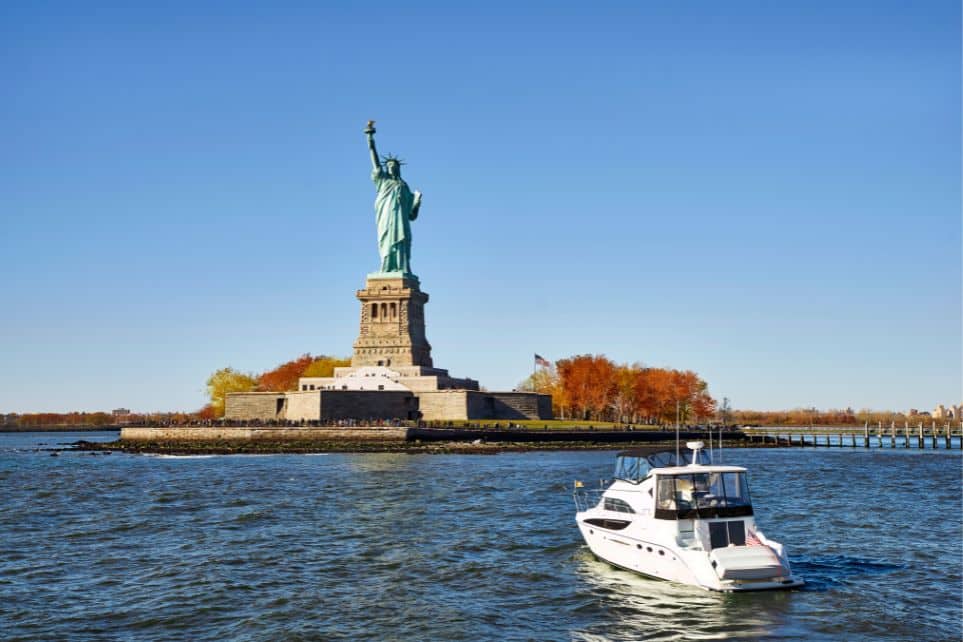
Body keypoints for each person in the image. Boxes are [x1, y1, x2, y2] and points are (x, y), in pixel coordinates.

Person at [365, 121, 422, 274]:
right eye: (388, 165)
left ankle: (402, 267)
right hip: (385, 216)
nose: (391, 167)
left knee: (403, 241)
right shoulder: (382, 180)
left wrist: (416, 202)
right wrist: (370, 138)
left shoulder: (404, 186)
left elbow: (411, 215)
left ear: (398, 168)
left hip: (401, 220)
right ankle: (386, 267)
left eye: (394, 165)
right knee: (386, 241)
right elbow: (375, 159)